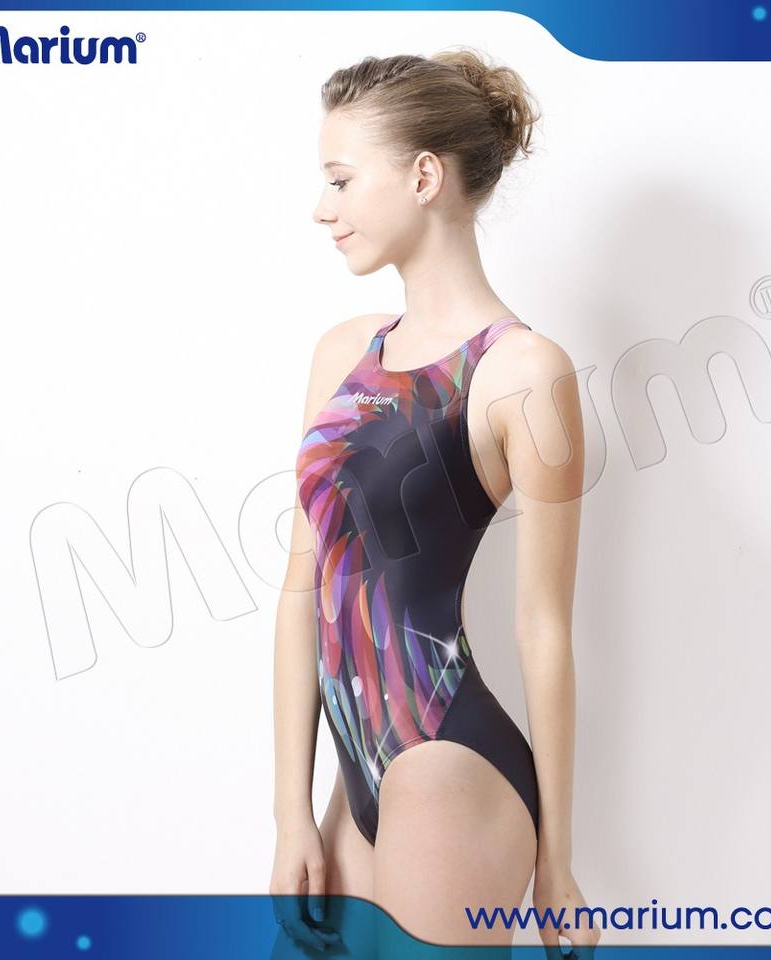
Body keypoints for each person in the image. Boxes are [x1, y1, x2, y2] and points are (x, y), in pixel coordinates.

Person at [269, 48, 595, 956]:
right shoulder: (343, 353)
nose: (322, 208)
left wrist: (558, 863)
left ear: (423, 177)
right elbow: (302, 591)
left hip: (449, 767)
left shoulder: (522, 371)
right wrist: (291, 814)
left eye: (341, 180)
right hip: (352, 781)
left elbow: (544, 627)